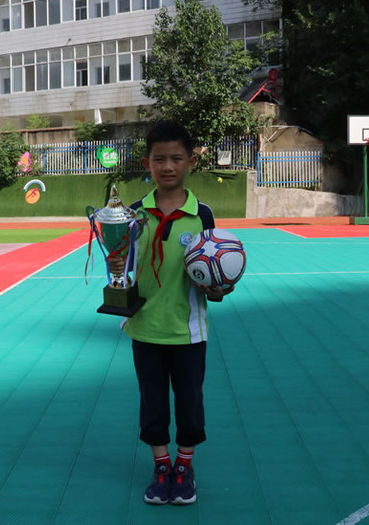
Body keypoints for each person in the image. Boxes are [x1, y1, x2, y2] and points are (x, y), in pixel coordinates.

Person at [107, 120, 233, 505]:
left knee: (190, 405)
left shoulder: (203, 215)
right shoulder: (131, 215)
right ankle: (161, 466)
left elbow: (215, 281)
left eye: (176, 158)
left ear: (190, 162)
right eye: (159, 159)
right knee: (153, 406)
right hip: (145, 329)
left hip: (188, 332)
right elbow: (122, 267)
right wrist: (116, 276)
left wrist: (219, 287)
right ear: (147, 163)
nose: (167, 166)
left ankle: (184, 466)